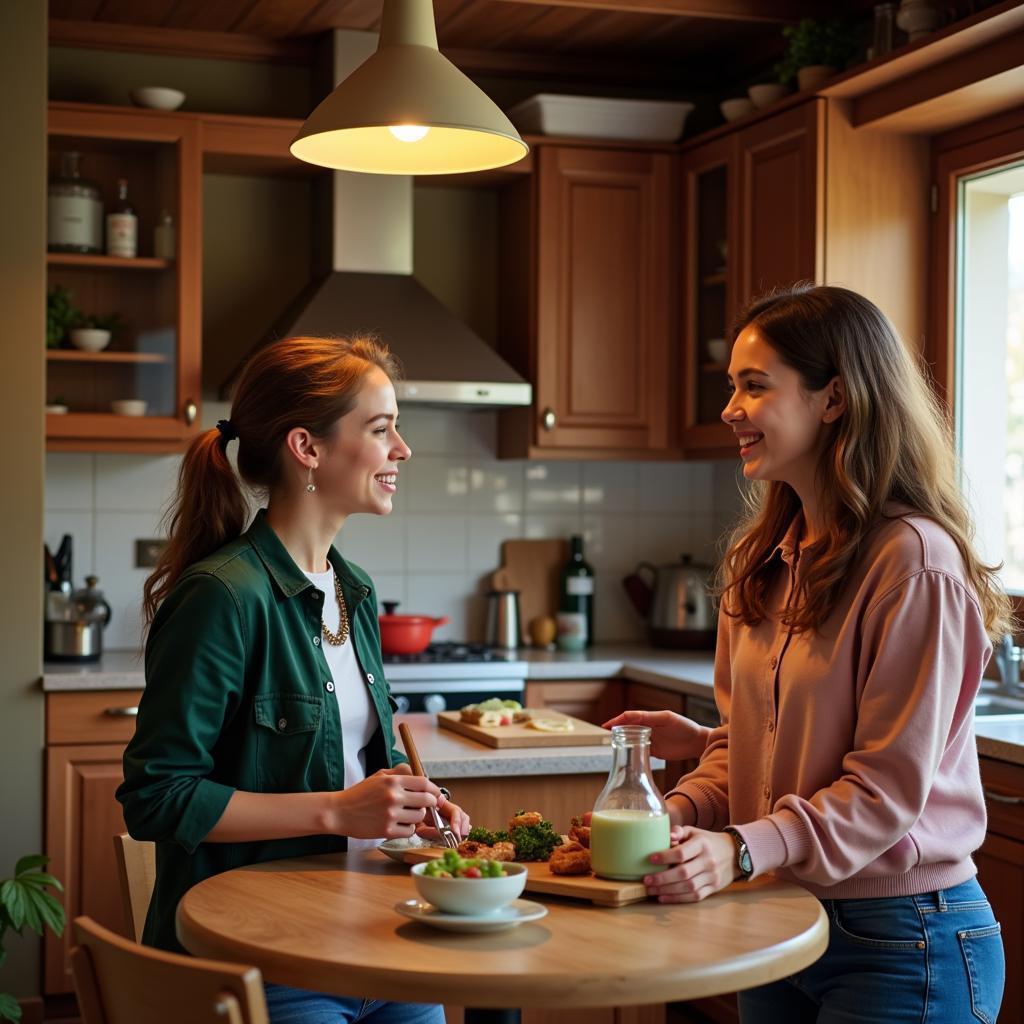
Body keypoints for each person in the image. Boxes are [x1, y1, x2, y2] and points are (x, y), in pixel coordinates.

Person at [607, 285, 1007, 1023]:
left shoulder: (914, 563)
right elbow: (741, 749)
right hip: (780, 917)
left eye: (754, 386)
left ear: (834, 398)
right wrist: (675, 819)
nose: (730, 409)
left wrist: (742, 850)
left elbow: (885, 790)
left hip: (903, 937)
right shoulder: (766, 562)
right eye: (732, 386)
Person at [117, 335, 469, 1024]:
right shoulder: (223, 596)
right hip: (263, 957)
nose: (402, 450)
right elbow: (157, 798)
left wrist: (416, 803)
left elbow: (369, 758)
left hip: (380, 934)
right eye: (380, 428)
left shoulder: (353, 590)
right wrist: (337, 811)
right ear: (306, 448)